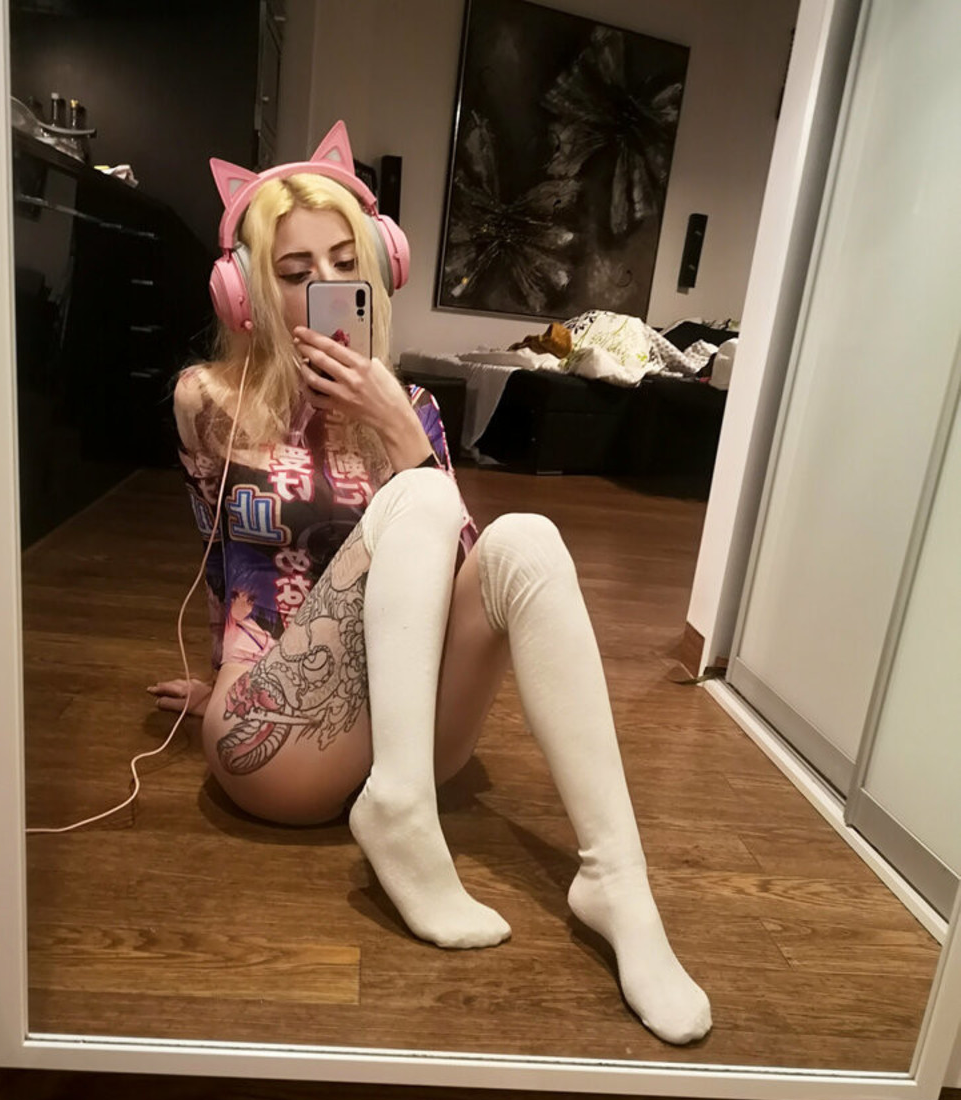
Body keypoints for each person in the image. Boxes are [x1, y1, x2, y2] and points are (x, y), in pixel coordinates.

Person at [150, 123, 712, 1046]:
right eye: (294, 271)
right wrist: (221, 678)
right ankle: (401, 813)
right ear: (244, 292)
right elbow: (217, 562)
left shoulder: (413, 411)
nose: (325, 286)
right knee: (423, 496)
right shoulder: (209, 401)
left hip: (401, 730)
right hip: (273, 739)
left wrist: (402, 435)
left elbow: (461, 580)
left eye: (346, 265)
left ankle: (615, 877)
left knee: (524, 539)